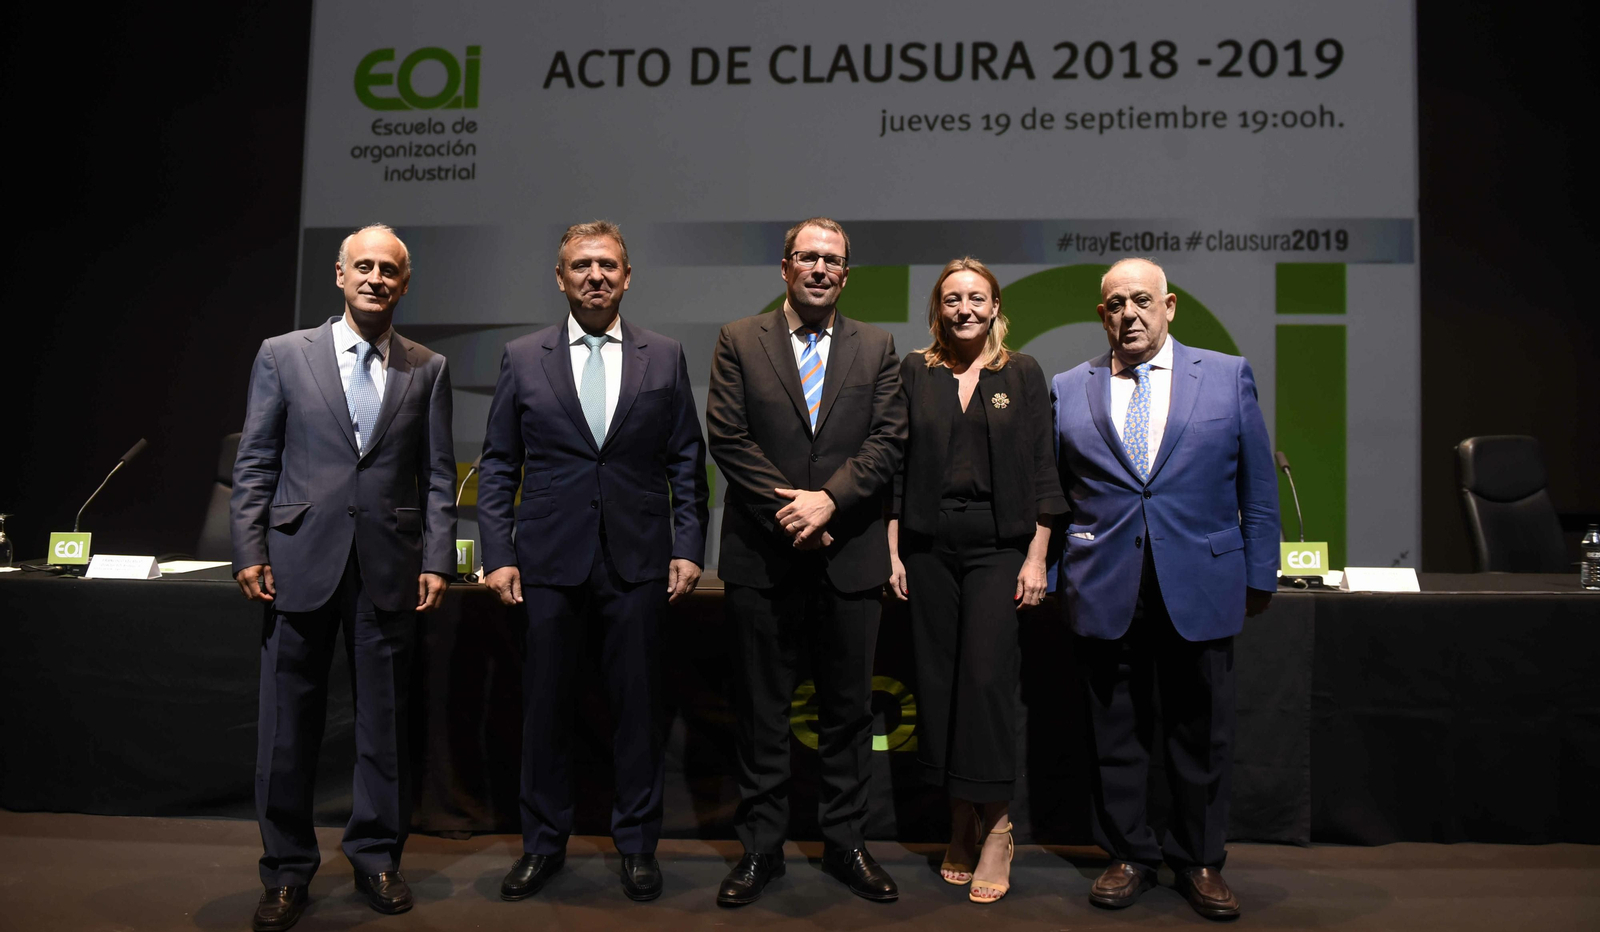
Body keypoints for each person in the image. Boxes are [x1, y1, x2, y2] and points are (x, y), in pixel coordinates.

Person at [231, 224, 457, 931]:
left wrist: (435, 557)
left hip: (388, 565)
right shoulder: (282, 355)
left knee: (382, 726)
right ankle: (286, 871)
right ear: (338, 273)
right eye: (363, 266)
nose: (375, 279)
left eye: (389, 270)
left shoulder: (430, 367)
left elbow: (439, 475)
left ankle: (376, 857)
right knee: (286, 731)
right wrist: (248, 549)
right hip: (298, 562)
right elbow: (257, 463)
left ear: (405, 282)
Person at [477, 221, 709, 903]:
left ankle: (637, 844)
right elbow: (498, 465)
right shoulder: (523, 357)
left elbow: (687, 462)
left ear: (628, 276)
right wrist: (497, 552)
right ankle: (542, 844)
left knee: (638, 711)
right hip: (547, 561)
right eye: (582, 265)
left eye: (608, 265)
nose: (595, 275)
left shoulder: (663, 356)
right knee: (544, 709)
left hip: (639, 561)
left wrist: (689, 546)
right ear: (561, 278)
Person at [1051, 258, 1278, 920]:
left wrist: (1260, 573)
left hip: (1203, 581)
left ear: (1169, 306)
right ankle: (1128, 854)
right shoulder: (1070, 387)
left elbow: (1257, 489)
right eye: (1116, 303)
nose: (1130, 313)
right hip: (1104, 583)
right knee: (1114, 729)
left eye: (1142, 300)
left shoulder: (1227, 375)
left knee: (1201, 730)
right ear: (1101, 314)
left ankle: (1201, 860)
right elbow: (1057, 496)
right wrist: (1062, 569)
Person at [705, 217, 908, 905]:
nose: (821, 269)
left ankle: (846, 845)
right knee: (762, 711)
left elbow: (888, 442)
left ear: (845, 274)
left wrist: (830, 503)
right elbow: (728, 438)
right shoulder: (739, 339)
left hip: (849, 556)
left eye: (834, 260)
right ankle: (761, 850)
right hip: (763, 557)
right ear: (785, 267)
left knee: (849, 715)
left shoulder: (877, 347)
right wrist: (795, 511)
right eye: (808, 257)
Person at [886, 257, 1065, 904]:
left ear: (995, 307)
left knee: (986, 682)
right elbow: (896, 469)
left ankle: (996, 826)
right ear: (939, 308)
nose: (964, 308)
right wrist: (895, 551)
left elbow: (1045, 468)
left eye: (977, 298)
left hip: (999, 549)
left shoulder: (1019, 372)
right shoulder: (915, 371)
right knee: (940, 686)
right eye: (953, 298)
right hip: (929, 549)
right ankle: (959, 818)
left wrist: (1038, 555)